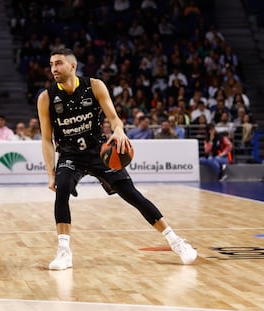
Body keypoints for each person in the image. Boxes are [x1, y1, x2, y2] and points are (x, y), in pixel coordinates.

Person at [37, 48, 197, 271]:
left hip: (98, 151)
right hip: (70, 154)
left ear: (72, 66)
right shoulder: (46, 97)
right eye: (52, 64)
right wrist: (50, 173)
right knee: (62, 187)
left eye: (59, 63)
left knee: (131, 194)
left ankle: (176, 241)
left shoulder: (94, 86)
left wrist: (119, 131)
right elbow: (46, 139)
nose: (54, 68)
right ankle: (64, 253)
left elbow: (114, 119)